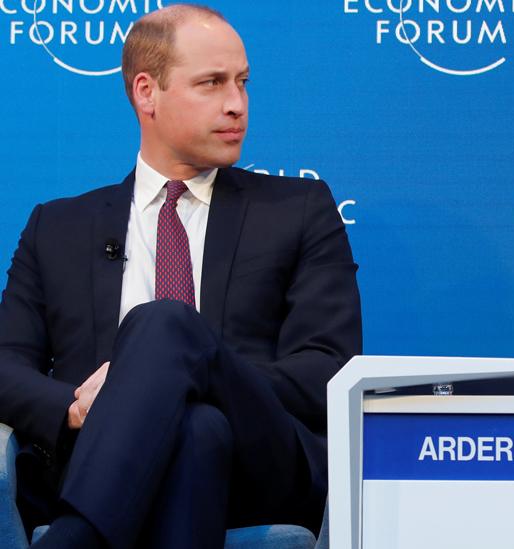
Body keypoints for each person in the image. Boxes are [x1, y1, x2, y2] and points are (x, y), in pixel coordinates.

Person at [0, 4, 361, 548]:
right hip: (93, 458)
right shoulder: (58, 226)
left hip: (261, 464)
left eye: (242, 83)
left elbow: (326, 368)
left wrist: (191, 372)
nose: (236, 104)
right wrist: (76, 408)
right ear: (147, 92)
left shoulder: (300, 209)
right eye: (212, 83)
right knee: (196, 431)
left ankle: (75, 537)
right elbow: (5, 366)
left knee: (167, 326)